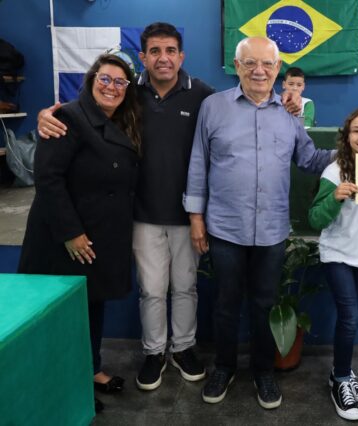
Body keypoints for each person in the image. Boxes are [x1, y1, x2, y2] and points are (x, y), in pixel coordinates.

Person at [37, 22, 215, 391]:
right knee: (151, 289)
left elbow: (233, 116)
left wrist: (291, 105)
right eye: (155, 51)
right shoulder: (129, 93)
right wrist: (47, 116)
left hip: (187, 215)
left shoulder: (202, 95)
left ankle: (183, 348)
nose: (163, 58)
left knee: (185, 287)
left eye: (170, 51)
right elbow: (87, 113)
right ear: (143, 57)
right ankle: (154, 352)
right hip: (141, 215)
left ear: (181, 56)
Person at [183, 36, 332, 410]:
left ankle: (264, 371)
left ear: (278, 69)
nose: (259, 71)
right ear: (237, 67)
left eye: (267, 64)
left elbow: (310, 160)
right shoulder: (213, 107)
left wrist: (355, 153)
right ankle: (224, 367)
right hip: (225, 228)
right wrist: (196, 218)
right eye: (250, 63)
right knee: (226, 303)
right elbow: (198, 163)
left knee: (265, 303)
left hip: (271, 230)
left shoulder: (290, 113)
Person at [19, 54, 141, 413]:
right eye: (105, 79)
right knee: (65, 314)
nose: (112, 87)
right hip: (65, 240)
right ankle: (66, 384)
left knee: (92, 305)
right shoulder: (68, 118)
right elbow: (48, 178)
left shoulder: (120, 121)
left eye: (120, 82)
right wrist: (70, 232)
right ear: (91, 80)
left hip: (98, 236)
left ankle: (90, 369)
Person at [308, 108, 358, 421]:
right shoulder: (334, 171)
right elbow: (315, 218)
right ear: (347, 135)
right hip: (337, 254)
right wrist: (335, 197)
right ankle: (341, 379)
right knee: (350, 317)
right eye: (357, 130)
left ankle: (341, 372)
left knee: (350, 317)